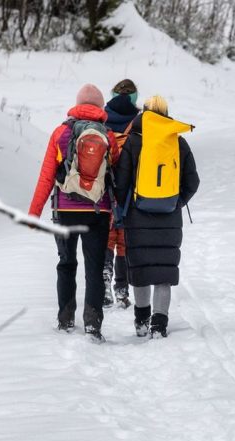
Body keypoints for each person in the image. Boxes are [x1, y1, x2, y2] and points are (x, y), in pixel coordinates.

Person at [29, 83, 121, 341]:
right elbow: (115, 176)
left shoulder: (61, 133)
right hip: (97, 211)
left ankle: (66, 318)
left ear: (77, 104)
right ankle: (93, 324)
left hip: (65, 210)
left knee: (66, 264)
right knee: (94, 267)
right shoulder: (109, 136)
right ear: (101, 107)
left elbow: (47, 176)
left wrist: (34, 212)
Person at [113, 95, 200, 338]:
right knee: (164, 270)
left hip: (137, 216)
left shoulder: (133, 142)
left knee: (141, 267)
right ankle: (159, 323)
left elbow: (121, 183)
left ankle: (142, 319)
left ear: (145, 113)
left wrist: (126, 207)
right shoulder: (178, 142)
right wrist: (176, 203)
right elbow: (193, 182)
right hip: (169, 218)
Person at [102, 79, 141, 308]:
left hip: (105, 186)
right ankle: (122, 290)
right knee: (125, 240)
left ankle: (104, 282)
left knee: (107, 236)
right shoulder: (139, 121)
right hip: (131, 188)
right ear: (135, 96)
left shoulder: (102, 117)